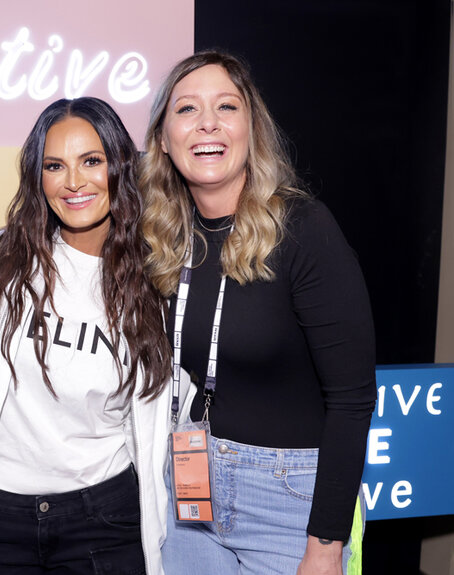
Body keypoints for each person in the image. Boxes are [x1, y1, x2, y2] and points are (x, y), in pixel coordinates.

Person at [139, 50, 376, 575]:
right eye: (186, 110)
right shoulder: (162, 238)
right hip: (188, 497)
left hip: (290, 504)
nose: (207, 124)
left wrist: (326, 544)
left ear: (252, 128)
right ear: (162, 138)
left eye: (226, 106)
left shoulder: (305, 230)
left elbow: (353, 399)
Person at [0, 97, 194, 575]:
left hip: (103, 518)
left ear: (119, 165)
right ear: (38, 177)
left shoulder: (155, 276)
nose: (73, 182)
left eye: (91, 161)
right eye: (55, 165)